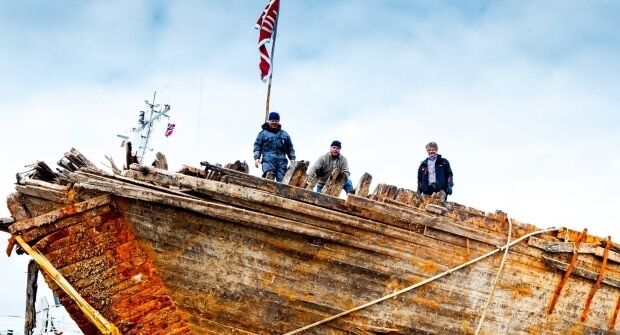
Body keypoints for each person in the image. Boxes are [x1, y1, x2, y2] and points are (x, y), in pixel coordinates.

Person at [253, 112, 296, 182]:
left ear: (279, 122)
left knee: (282, 180)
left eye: (276, 121)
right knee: (269, 176)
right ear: (269, 121)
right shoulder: (263, 134)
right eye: (272, 121)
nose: (274, 122)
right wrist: (257, 158)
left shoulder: (284, 134)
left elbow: (290, 147)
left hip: (282, 161)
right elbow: (257, 146)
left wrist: (292, 158)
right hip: (268, 160)